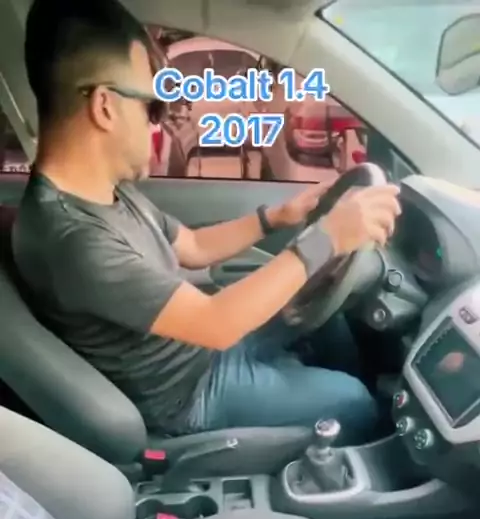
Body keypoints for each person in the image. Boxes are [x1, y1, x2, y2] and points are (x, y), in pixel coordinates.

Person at [13, 0, 401, 444]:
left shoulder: (107, 192)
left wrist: (278, 216)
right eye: (153, 107)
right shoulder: (74, 240)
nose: (160, 124)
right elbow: (215, 324)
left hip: (202, 348)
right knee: (354, 400)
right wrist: (327, 237)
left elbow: (193, 246)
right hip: (190, 393)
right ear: (105, 107)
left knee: (323, 315)